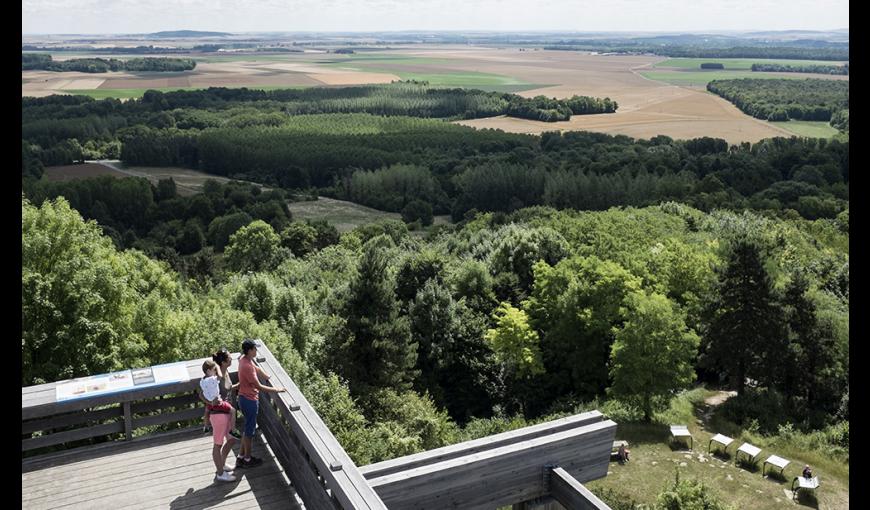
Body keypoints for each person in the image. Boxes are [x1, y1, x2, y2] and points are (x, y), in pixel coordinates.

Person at [236, 338, 286, 469]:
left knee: (247, 428)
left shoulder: (243, 359)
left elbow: (256, 368)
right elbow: (259, 387)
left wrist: (266, 376)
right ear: (250, 350)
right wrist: (276, 389)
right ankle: (247, 459)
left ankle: (240, 457)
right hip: (249, 401)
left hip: (243, 398)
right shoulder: (246, 366)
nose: (256, 350)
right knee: (249, 432)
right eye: (255, 348)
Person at [198, 353, 241, 483]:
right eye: (228, 358)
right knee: (217, 445)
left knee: (232, 440)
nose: (231, 359)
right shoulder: (212, 378)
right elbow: (200, 394)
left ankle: (221, 465)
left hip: (225, 412)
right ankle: (220, 473)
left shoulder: (217, 376)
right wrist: (210, 403)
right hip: (218, 415)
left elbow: (226, 388)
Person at [200, 359, 240, 439]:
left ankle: (206, 427)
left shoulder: (202, 381)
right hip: (218, 402)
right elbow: (220, 376)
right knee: (233, 410)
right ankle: (233, 430)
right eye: (214, 370)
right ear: (208, 371)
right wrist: (218, 366)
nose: (215, 372)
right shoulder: (212, 379)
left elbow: (202, 393)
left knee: (207, 412)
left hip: (209, 403)